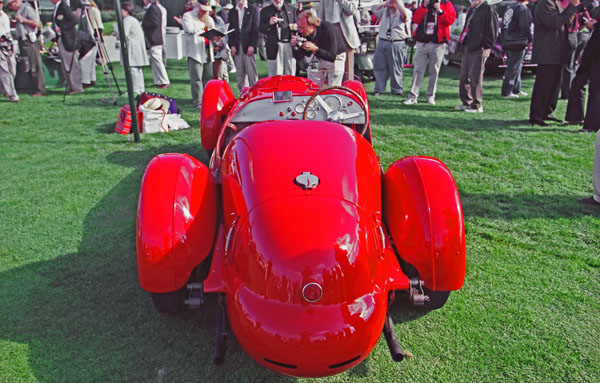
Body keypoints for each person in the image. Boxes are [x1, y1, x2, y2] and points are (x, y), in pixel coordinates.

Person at [528, 0, 579, 126]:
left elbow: (560, 20)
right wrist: (572, 6)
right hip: (548, 52)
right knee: (544, 85)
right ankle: (537, 115)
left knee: (555, 86)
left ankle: (547, 112)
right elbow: (553, 22)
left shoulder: (553, 2)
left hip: (556, 51)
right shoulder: (545, 3)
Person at [404, 0, 456, 105]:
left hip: (438, 44)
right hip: (423, 42)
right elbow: (416, 19)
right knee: (418, 70)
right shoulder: (424, 4)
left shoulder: (446, 4)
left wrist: (439, 11)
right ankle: (413, 96)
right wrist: (423, 7)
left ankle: (430, 96)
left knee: (434, 71)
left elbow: (450, 20)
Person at [455, 0, 498, 113]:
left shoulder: (488, 9)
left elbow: (493, 30)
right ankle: (466, 101)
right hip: (468, 46)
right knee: (464, 76)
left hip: (479, 48)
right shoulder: (472, 10)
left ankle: (477, 104)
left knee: (476, 76)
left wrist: (485, 46)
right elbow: (466, 27)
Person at [371, 0, 411, 96]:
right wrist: (385, 3)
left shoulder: (406, 11)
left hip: (396, 42)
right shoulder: (385, 11)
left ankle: (397, 90)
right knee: (379, 67)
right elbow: (373, 9)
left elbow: (404, 16)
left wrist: (397, 3)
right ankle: (379, 89)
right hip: (382, 41)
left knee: (396, 68)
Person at [51, 0, 92, 95]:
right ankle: (71, 85)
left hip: (68, 39)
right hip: (62, 38)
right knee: (65, 65)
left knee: (71, 64)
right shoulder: (58, 7)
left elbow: (74, 20)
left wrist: (62, 28)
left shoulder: (63, 6)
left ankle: (77, 87)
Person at [6, 0, 46, 97]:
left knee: (35, 65)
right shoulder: (20, 10)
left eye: (11, 5)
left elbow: (36, 23)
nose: (11, 8)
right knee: (27, 65)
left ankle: (40, 89)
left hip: (30, 41)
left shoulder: (27, 9)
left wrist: (22, 20)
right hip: (23, 40)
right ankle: (34, 87)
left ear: (16, 2)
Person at [291, 10, 342, 86]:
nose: (301, 31)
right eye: (299, 28)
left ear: (313, 25)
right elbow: (299, 57)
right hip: (317, 57)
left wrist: (315, 49)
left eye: (303, 28)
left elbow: (332, 56)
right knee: (313, 85)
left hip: (335, 56)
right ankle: (315, 97)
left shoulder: (328, 28)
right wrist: (295, 47)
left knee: (333, 87)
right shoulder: (303, 33)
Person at [565, 16, 599, 126]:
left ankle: (592, 124)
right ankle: (575, 118)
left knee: (595, 91)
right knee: (577, 83)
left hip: (597, 56)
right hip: (591, 53)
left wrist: (594, 25)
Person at [180, 0, 214, 108]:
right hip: (195, 52)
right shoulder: (188, 16)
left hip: (207, 49)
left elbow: (213, 28)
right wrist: (203, 24)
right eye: (203, 10)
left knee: (208, 77)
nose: (205, 12)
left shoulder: (208, 17)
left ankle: (207, 99)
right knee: (196, 78)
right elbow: (189, 29)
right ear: (198, 7)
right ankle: (198, 101)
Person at [317, 0, 360, 81]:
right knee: (331, 67)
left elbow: (352, 9)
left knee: (348, 71)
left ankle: (347, 90)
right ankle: (332, 90)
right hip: (330, 34)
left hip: (346, 35)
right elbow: (321, 13)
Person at [499, 0, 533, 98]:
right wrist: (530, 38)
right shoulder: (523, 9)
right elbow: (525, 25)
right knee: (514, 67)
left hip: (508, 40)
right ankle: (507, 91)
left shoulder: (510, 8)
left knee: (516, 65)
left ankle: (516, 88)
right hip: (517, 40)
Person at [559, 0, 592, 99]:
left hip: (566, 34)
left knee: (566, 66)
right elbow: (586, 21)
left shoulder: (563, 4)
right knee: (572, 64)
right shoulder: (579, 5)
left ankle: (567, 92)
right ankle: (569, 91)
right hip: (575, 34)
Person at [259, 0, 297, 76]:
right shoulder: (265, 11)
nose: (277, 1)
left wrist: (296, 29)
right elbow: (261, 29)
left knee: (290, 72)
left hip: (289, 44)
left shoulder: (291, 9)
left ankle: (289, 88)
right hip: (274, 45)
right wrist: (269, 23)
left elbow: (297, 26)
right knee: (275, 74)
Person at [229, 0, 259, 92]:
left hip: (249, 46)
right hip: (237, 46)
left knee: (251, 74)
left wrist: (252, 45)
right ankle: (242, 95)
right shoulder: (232, 11)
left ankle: (255, 95)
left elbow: (256, 29)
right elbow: (230, 30)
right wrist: (232, 45)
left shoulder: (253, 9)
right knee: (240, 75)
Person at [119, 2, 149, 95]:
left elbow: (123, 34)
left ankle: (135, 89)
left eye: (121, 10)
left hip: (132, 47)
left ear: (126, 11)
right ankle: (140, 88)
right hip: (136, 46)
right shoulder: (133, 19)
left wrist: (117, 33)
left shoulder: (127, 20)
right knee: (137, 69)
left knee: (133, 69)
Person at [142, 0, 170, 88]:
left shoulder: (153, 8)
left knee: (157, 60)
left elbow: (154, 22)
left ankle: (164, 81)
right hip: (154, 38)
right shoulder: (153, 8)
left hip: (155, 38)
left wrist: (144, 24)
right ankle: (158, 81)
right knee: (154, 60)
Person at [0, 0, 18, 102]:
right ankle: (13, 95)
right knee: (5, 71)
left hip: (8, 45)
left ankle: (5, 89)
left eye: (1, 3)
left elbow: (8, 32)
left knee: (12, 69)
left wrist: (11, 46)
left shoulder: (5, 16)